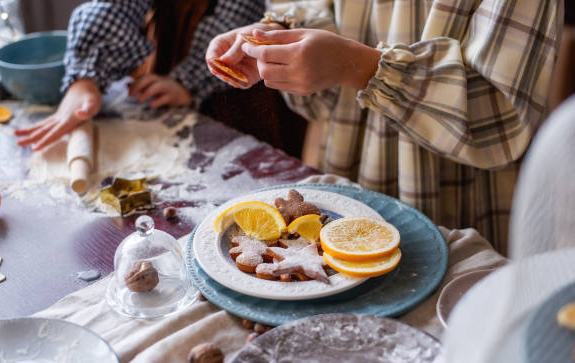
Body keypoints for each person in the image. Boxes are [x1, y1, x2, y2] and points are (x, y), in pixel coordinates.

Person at [207, 0, 562, 254]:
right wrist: (279, 34)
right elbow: (316, 7)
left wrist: (355, 65)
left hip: (456, 201)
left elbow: (498, 116)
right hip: (348, 167)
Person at [14, 0, 265, 151]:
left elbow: (235, 21)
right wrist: (85, 78)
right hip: (168, 64)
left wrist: (187, 81)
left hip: (239, 80)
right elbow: (115, 6)